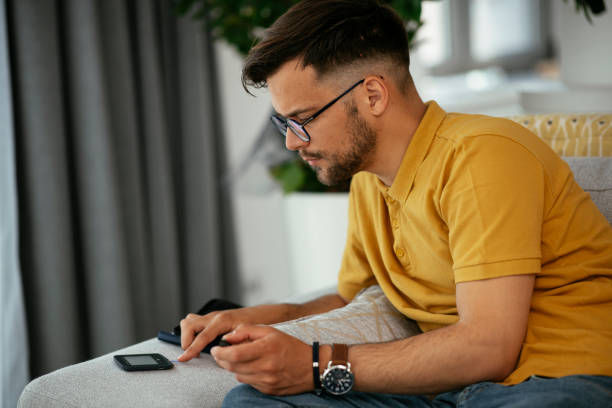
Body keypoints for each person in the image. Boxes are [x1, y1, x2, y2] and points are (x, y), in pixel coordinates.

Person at [178, 0, 612, 406]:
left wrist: (315, 365)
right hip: (453, 388)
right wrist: (259, 319)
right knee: (250, 401)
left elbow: (489, 347)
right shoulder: (369, 178)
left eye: (303, 120)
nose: (292, 142)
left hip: (557, 381)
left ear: (373, 95)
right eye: (284, 122)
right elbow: (352, 298)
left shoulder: (482, 156)